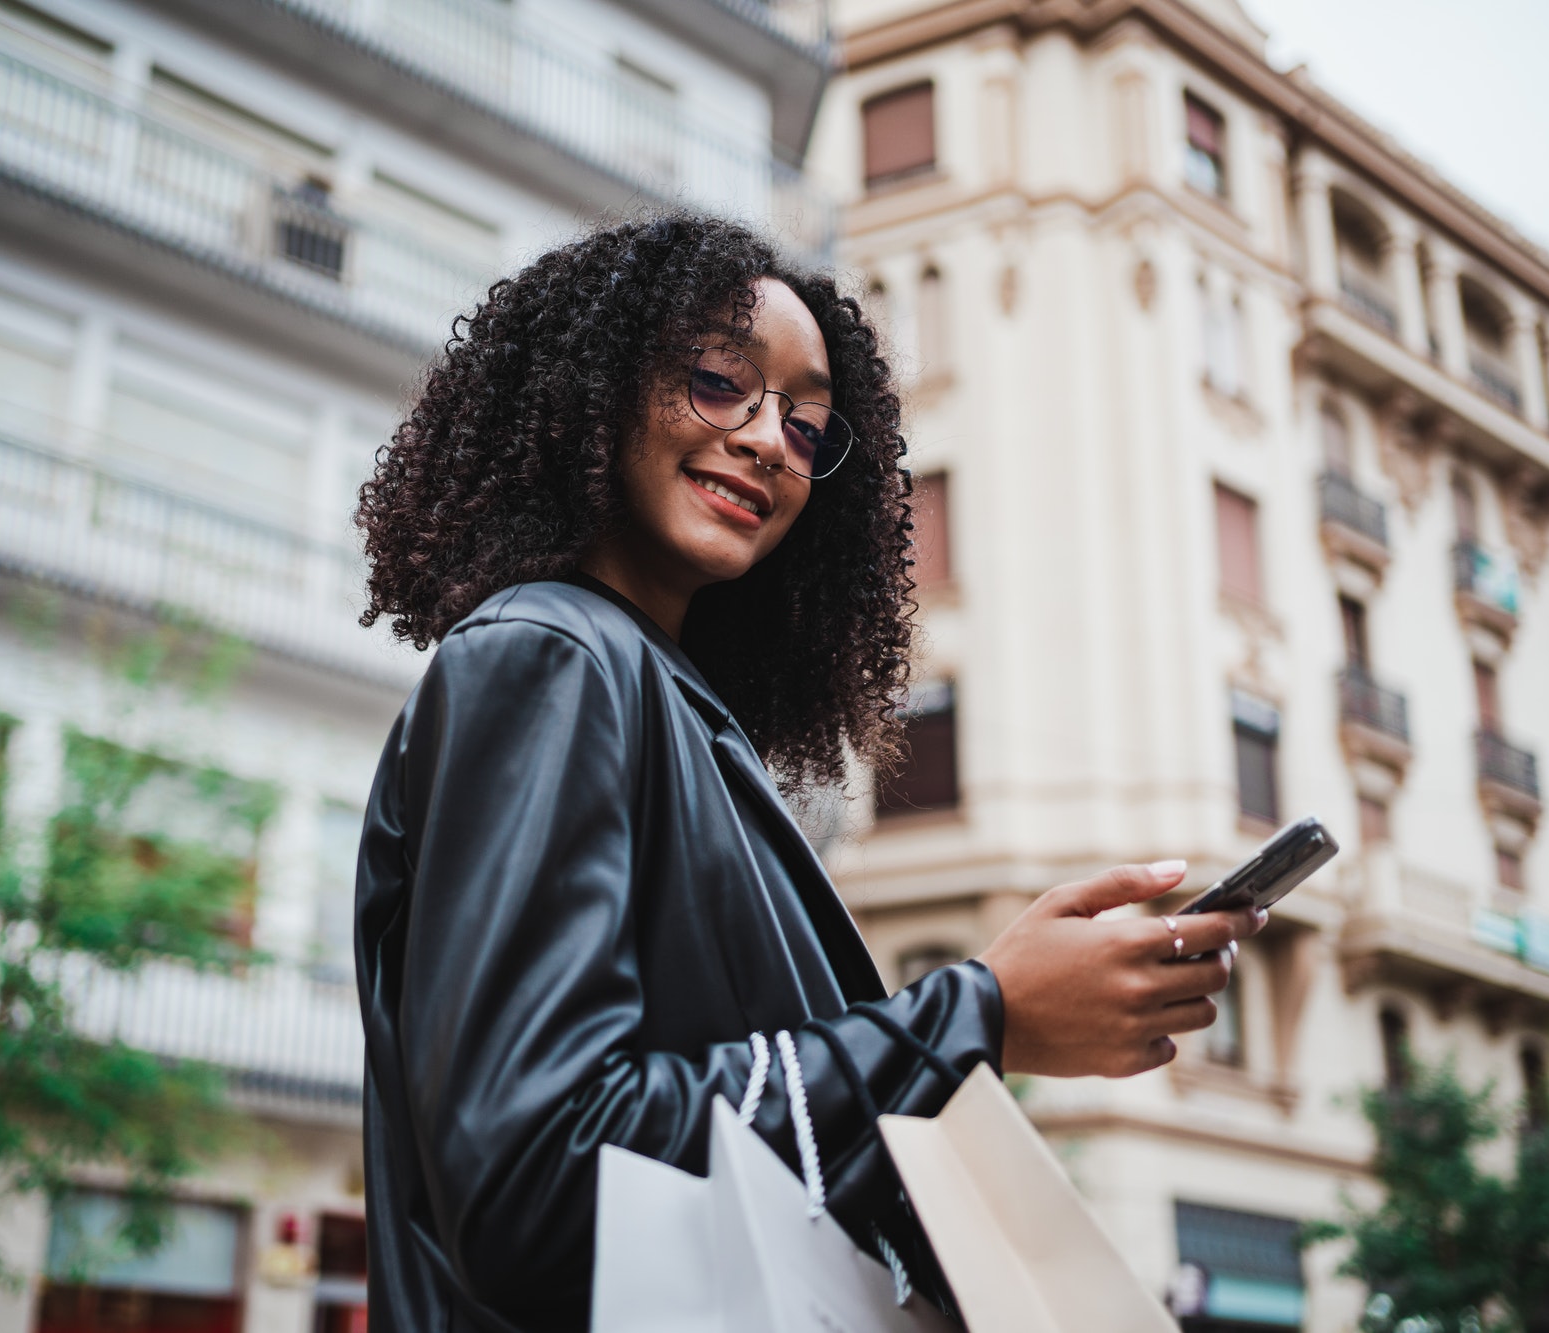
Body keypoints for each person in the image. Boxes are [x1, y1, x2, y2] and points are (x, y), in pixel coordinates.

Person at [352, 214, 1264, 1332]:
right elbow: (540, 1176)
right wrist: (976, 1011)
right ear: (590, 390)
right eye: (718, 381)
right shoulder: (550, 657)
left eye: (805, 422)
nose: (766, 439)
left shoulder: (667, 708)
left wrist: (984, 1017)